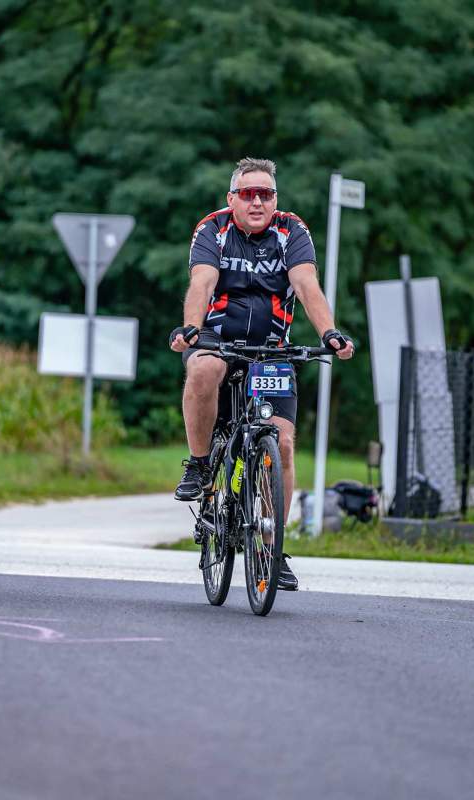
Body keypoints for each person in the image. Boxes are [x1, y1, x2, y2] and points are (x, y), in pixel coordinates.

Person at [169, 157, 354, 590]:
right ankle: (199, 465)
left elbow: (307, 285)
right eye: (248, 194)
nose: (257, 201)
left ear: (275, 200)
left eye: (265, 194)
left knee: (283, 442)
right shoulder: (212, 229)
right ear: (231, 198)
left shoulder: (293, 232)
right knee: (204, 368)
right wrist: (192, 329)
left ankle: (272, 548)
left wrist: (328, 332)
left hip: (271, 349)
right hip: (219, 340)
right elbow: (202, 282)